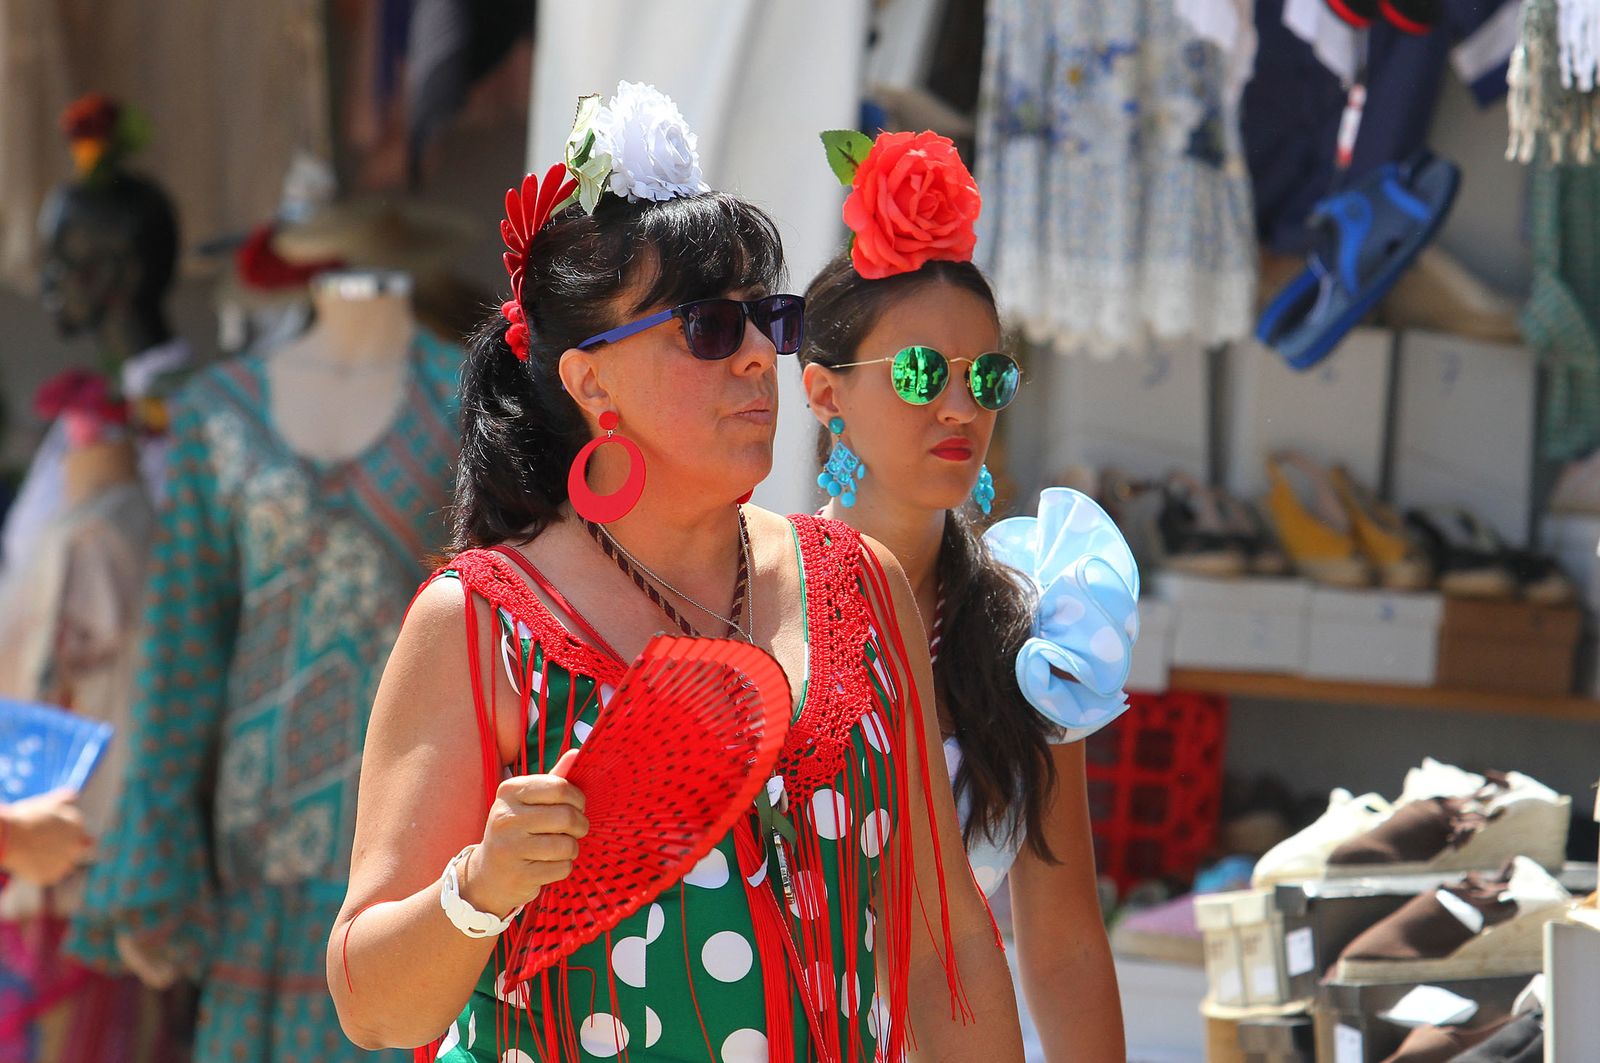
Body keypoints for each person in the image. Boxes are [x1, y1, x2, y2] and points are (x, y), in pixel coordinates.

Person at [328, 82, 1024, 1063]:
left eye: (764, 319)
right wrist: (479, 887)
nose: (758, 357)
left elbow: (946, 944)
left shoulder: (860, 584)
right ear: (590, 379)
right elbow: (372, 1009)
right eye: (707, 328)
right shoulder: (482, 622)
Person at [797, 129, 1128, 1060]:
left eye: (987, 376)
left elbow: (1063, 942)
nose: (960, 407)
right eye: (917, 373)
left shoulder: (1039, 624)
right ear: (825, 395)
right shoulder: (757, 598)